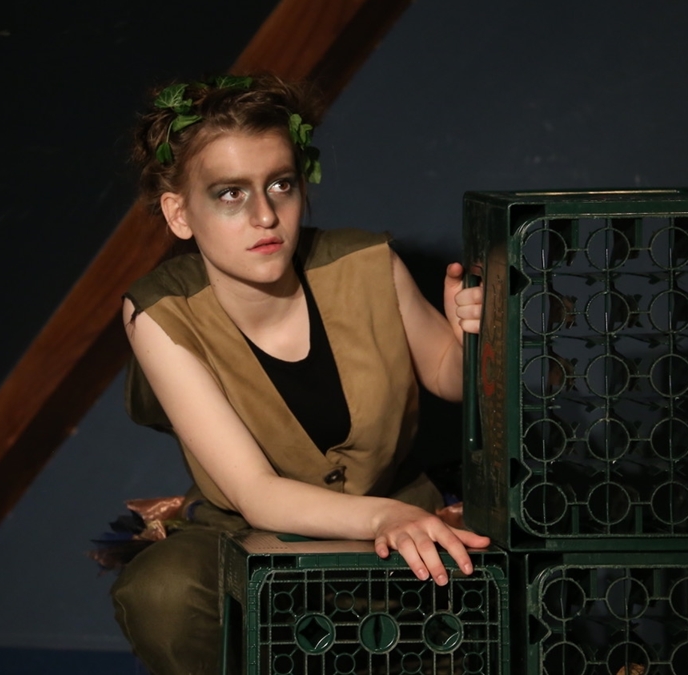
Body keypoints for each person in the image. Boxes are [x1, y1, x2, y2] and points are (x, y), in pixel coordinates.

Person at [110, 73, 490, 675]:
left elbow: (449, 376)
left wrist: (476, 339)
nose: (265, 215)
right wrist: (384, 518)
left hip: (398, 516)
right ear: (179, 213)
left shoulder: (367, 263)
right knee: (162, 593)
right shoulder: (159, 312)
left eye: (280, 185)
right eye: (230, 194)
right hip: (247, 538)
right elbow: (256, 493)